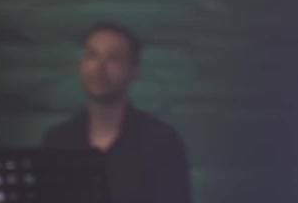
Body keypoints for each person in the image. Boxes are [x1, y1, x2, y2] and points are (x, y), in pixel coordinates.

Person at [43, 22, 193, 203]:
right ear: (81, 65)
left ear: (134, 72)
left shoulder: (162, 142)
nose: (99, 68)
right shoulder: (58, 140)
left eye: (113, 58)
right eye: (92, 56)